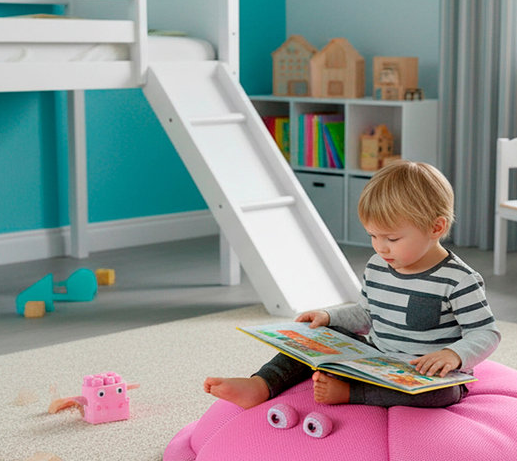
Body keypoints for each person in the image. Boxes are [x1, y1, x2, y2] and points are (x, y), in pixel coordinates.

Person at [204, 160, 500, 408]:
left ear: (436, 227)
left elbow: (486, 333)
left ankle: (351, 393)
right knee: (319, 335)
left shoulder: (459, 280)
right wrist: (329, 317)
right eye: (373, 236)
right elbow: (366, 314)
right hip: (377, 356)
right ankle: (262, 384)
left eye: (392, 238)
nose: (380, 247)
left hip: (426, 374)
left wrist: (453, 355)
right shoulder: (378, 265)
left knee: (442, 395)